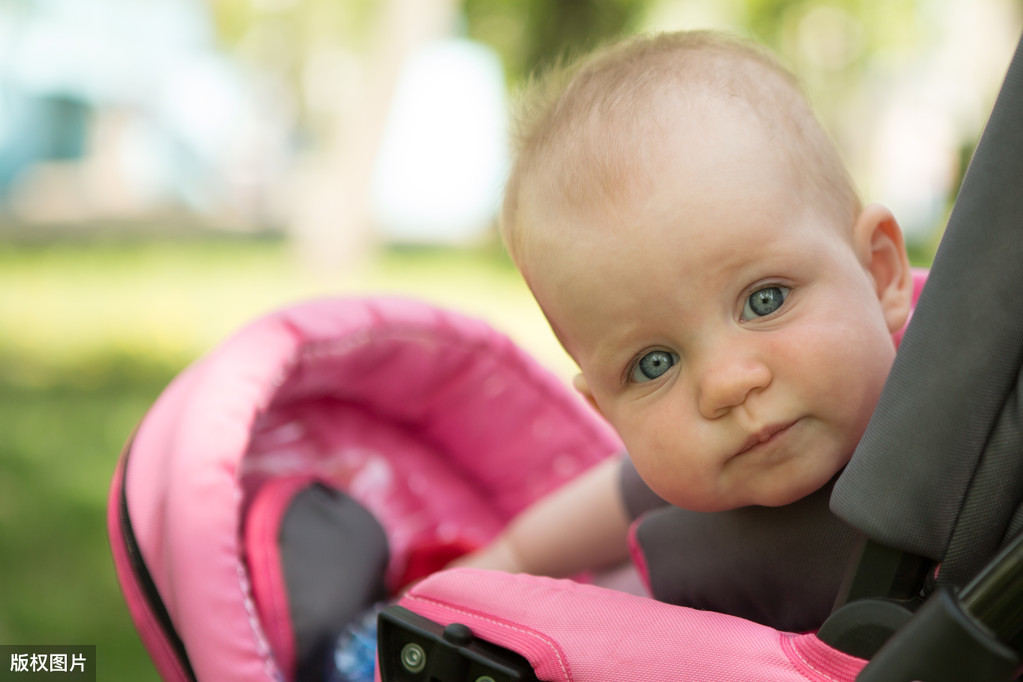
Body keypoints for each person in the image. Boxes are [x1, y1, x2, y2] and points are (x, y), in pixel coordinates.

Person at [330, 28, 921, 680]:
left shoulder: (961, 431)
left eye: (764, 300)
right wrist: (445, 595)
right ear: (608, 410)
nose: (725, 384)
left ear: (878, 273)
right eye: (653, 365)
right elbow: (533, 543)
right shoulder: (713, 462)